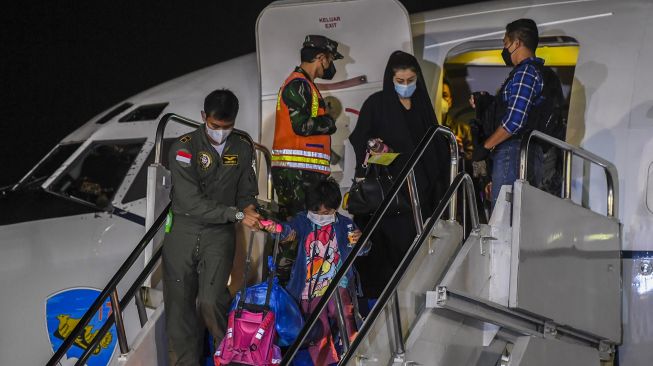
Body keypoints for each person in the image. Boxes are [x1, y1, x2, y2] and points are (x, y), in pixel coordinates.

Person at [163, 89, 261, 365]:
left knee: (212, 300)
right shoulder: (183, 147)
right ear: (204, 117)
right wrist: (238, 214)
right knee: (179, 308)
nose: (220, 132)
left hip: (219, 234)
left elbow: (246, 191)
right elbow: (189, 201)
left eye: (227, 127)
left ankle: (226, 358)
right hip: (183, 230)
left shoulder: (242, 146)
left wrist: (249, 208)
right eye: (215, 126)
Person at [349, 50, 449, 305]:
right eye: (400, 81)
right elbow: (361, 140)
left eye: (410, 80)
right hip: (389, 198)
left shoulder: (423, 107)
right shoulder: (377, 104)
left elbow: (436, 148)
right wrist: (376, 149)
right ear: (390, 79)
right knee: (386, 257)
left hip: (421, 194)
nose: (406, 86)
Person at [263, 180, 362, 365]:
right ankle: (329, 362)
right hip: (309, 289)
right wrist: (277, 230)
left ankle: (355, 354)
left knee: (344, 315)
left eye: (326, 213)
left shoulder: (345, 225)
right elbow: (286, 230)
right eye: (316, 212)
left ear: (335, 208)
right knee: (318, 331)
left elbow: (363, 249)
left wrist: (361, 241)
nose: (321, 216)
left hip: (336, 283)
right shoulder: (303, 221)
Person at [272, 34, 344, 283]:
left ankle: (298, 287)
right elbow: (302, 126)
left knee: (303, 235)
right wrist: (329, 122)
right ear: (321, 57)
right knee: (294, 235)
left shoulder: (306, 86)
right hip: (296, 174)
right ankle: (283, 289)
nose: (330, 66)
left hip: (303, 173)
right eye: (330, 59)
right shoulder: (298, 84)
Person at [470, 19, 545, 207]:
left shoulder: (525, 72)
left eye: (506, 43)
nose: (504, 50)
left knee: (504, 221)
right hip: (519, 153)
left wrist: (485, 147)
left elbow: (515, 121)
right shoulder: (528, 73)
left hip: (513, 151)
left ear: (517, 43)